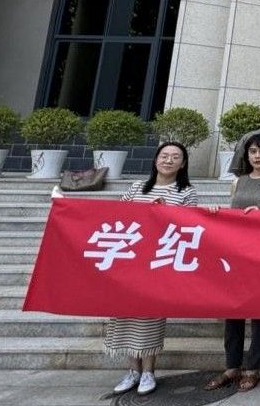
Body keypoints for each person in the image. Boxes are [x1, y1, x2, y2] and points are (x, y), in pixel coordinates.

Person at [204, 133, 260, 393]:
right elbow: (233, 216)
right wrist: (217, 214)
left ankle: (253, 367)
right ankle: (231, 366)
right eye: (252, 151)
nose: (257, 156)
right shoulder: (238, 182)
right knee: (233, 311)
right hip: (237, 255)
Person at [106, 141, 199, 397]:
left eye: (175, 157)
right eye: (164, 155)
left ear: (183, 163)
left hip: (159, 263)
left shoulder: (186, 192)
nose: (168, 160)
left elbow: (189, 225)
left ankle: (148, 371)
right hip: (130, 261)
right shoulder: (137, 187)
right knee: (125, 316)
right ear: (155, 159)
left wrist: (165, 212)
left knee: (150, 319)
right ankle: (132, 371)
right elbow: (117, 215)